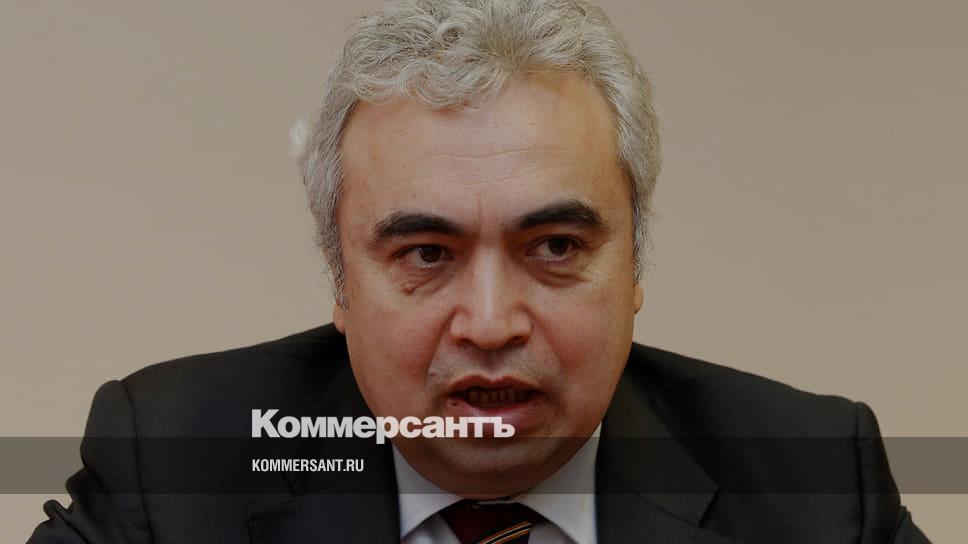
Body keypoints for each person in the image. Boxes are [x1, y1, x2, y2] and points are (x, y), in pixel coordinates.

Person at [30, 0, 929, 542]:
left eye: (556, 248)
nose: (492, 323)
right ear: (341, 281)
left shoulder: (814, 484)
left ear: (635, 266)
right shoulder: (172, 463)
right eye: (426, 254)